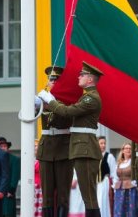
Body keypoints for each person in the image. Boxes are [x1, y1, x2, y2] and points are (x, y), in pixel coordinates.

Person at [38, 61, 104, 217]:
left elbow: (67, 113)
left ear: (89, 79)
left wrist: (50, 101)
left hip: (85, 148)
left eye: (82, 74)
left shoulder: (90, 98)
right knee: (86, 194)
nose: (79, 77)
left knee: (88, 195)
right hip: (79, 148)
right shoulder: (86, 97)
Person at [36, 66, 73, 217]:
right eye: (51, 79)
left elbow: (67, 116)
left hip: (63, 149)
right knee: (47, 194)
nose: (52, 82)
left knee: (63, 194)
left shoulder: (68, 98)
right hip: (46, 149)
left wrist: (51, 101)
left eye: (56, 79)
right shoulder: (43, 97)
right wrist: (32, 104)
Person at [113, 142, 138, 217]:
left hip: (131, 190)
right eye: (126, 148)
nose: (128, 150)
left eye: (130, 148)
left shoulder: (133, 162)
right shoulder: (119, 163)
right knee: (119, 210)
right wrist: (115, 188)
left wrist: (135, 185)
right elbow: (115, 177)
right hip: (119, 190)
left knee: (130, 210)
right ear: (123, 150)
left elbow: (137, 175)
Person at [0, 137, 20, 217]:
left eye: (4, 146)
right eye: (1, 147)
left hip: (8, 192)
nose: (3, 148)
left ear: (7, 147)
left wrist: (11, 190)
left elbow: (15, 176)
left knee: (8, 213)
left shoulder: (14, 159)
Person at [97, 136, 117, 217]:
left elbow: (113, 173)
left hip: (104, 183)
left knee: (103, 203)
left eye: (104, 143)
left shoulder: (109, 156)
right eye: (101, 143)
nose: (103, 145)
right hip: (95, 184)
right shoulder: (94, 157)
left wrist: (114, 187)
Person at [34, 139, 43, 217]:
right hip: (33, 187)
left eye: (37, 146)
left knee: (39, 208)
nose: (35, 148)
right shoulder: (32, 160)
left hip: (40, 186)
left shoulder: (41, 160)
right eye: (34, 146)